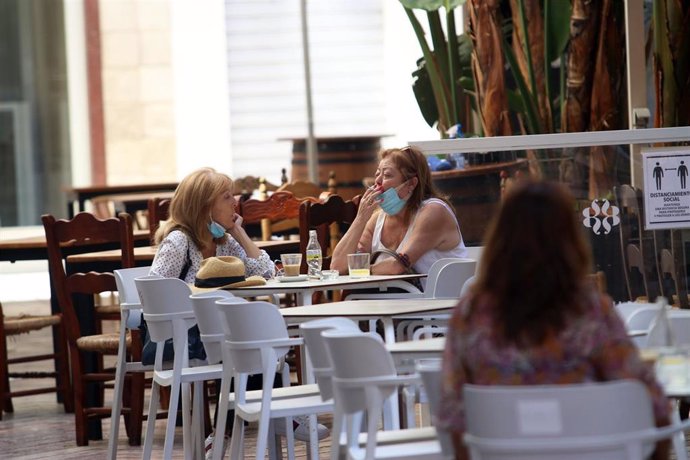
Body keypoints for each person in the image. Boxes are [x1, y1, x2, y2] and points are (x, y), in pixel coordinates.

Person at [437, 180, 670, 460]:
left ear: (500, 237)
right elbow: (651, 404)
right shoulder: (589, 312)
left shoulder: (470, 315)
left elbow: (453, 418)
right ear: (570, 240)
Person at [148, 167, 326, 458]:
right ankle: (279, 417)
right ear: (204, 206)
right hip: (182, 338)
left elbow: (268, 272)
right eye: (227, 196)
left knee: (251, 343)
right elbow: (156, 295)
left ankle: (223, 435)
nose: (236, 202)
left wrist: (238, 231)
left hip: (218, 336)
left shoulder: (222, 241)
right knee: (251, 345)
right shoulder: (178, 241)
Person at [330, 146, 467, 282]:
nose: (377, 181)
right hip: (389, 300)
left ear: (411, 184)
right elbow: (337, 267)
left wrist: (358, 269)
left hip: (435, 302)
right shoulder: (377, 219)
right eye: (377, 173)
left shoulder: (434, 211)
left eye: (387, 175)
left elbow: (397, 266)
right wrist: (361, 219)